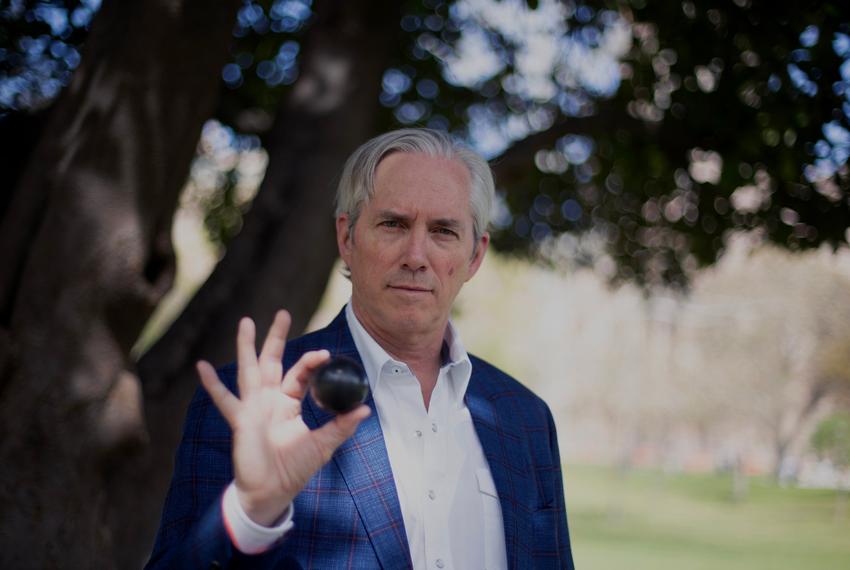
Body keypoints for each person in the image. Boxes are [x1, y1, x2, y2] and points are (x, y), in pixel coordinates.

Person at [146, 128, 574, 569]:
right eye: (394, 224)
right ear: (347, 238)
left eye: (443, 231)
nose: (415, 255)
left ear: (475, 256)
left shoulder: (525, 418)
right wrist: (250, 515)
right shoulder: (253, 402)